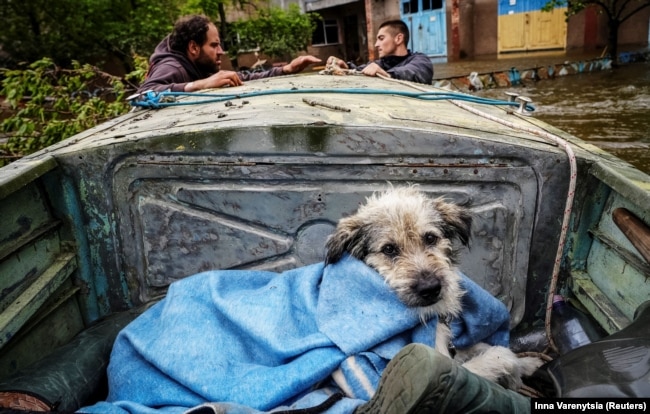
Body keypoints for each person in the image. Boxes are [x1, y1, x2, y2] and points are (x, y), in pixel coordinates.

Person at [137, 14, 321, 94]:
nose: (221, 52)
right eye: (214, 45)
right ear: (194, 48)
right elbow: (143, 93)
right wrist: (200, 85)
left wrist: (286, 69)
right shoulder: (172, 66)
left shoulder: (194, 64)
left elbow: (240, 77)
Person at [327, 20, 433, 84]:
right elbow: (359, 70)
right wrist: (344, 67)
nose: (376, 44)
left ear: (399, 39)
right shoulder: (380, 63)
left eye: (381, 38)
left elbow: (413, 73)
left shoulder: (420, 60)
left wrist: (387, 75)